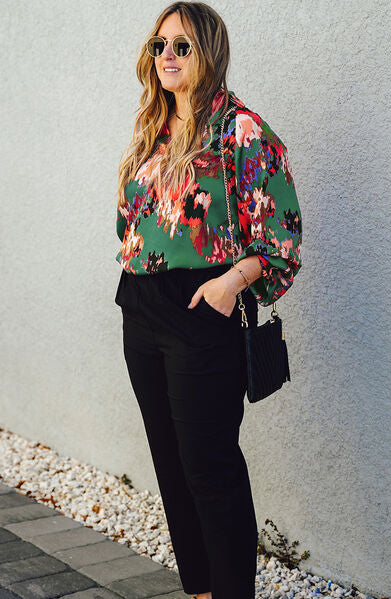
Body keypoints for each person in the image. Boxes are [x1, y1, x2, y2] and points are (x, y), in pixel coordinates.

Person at [114, 3, 302, 599]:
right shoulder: (153, 125)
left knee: (209, 466)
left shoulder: (240, 130)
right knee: (170, 463)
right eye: (160, 45)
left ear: (210, 52)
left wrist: (229, 284)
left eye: (182, 46)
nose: (166, 56)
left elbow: (281, 239)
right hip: (141, 304)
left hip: (202, 308)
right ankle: (200, 589)